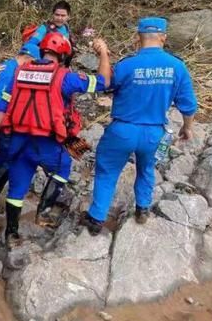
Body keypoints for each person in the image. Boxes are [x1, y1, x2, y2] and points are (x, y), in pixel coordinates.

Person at [0, 32, 111, 246]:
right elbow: (102, 82)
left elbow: (2, 107)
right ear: (63, 55)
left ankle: (11, 233)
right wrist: (103, 55)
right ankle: (43, 212)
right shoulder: (65, 77)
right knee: (64, 167)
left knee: (17, 188)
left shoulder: (20, 72)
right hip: (48, 142)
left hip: (19, 140)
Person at [82, 17, 197, 235]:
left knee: (107, 172)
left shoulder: (127, 65)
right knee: (146, 169)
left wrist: (103, 54)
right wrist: (187, 127)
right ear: (163, 37)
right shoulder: (177, 67)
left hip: (122, 130)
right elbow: (188, 106)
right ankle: (143, 209)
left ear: (138, 38)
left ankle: (96, 219)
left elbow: (105, 84)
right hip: (153, 132)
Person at [0, 42, 37, 214]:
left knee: (1, 162)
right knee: (10, 159)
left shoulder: (7, 66)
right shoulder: (11, 74)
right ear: (28, 59)